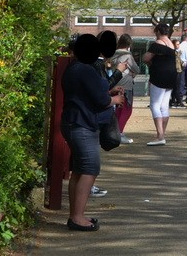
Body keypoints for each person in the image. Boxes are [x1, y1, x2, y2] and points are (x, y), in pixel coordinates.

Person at [61, 33, 125, 231]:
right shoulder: (87, 70)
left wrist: (106, 94)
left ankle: (76, 214)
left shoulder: (73, 67)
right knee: (90, 168)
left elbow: (87, 94)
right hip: (83, 125)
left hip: (73, 122)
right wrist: (114, 100)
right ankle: (77, 217)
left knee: (80, 170)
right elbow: (100, 100)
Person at [142, 23, 177, 145]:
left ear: (158, 31)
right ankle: (162, 134)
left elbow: (145, 58)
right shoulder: (171, 45)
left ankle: (160, 136)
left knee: (154, 105)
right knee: (164, 106)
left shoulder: (158, 44)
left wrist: (152, 65)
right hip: (171, 77)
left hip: (159, 76)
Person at [110, 34, 141, 144]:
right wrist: (133, 73)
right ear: (129, 44)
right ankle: (120, 133)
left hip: (115, 83)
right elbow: (136, 69)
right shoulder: (127, 55)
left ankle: (115, 132)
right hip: (126, 85)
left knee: (118, 110)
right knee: (127, 110)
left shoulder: (113, 54)